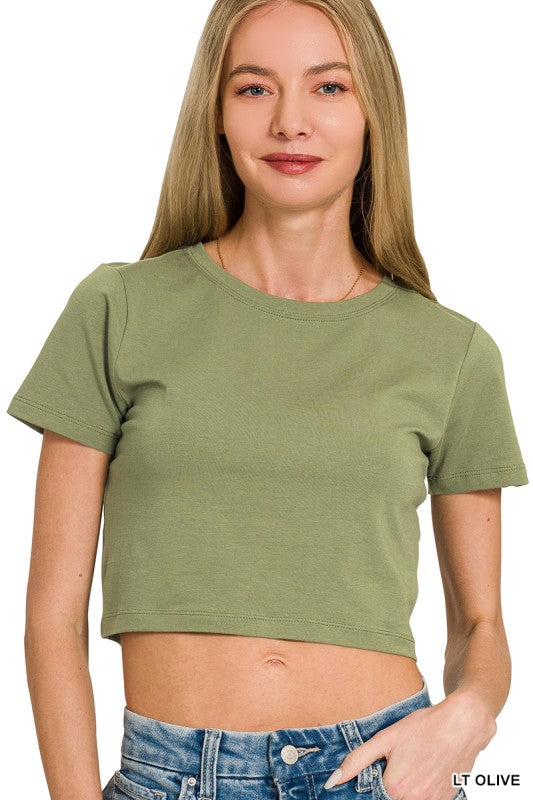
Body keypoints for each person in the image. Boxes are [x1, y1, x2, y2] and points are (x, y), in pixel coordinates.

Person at [6, 1, 529, 799]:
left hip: (379, 773)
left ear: (373, 112)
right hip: (171, 776)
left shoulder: (452, 352)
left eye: (328, 87)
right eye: (253, 88)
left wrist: (468, 718)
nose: (290, 122)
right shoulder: (117, 310)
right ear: (215, 115)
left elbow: (480, 626)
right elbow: (51, 619)